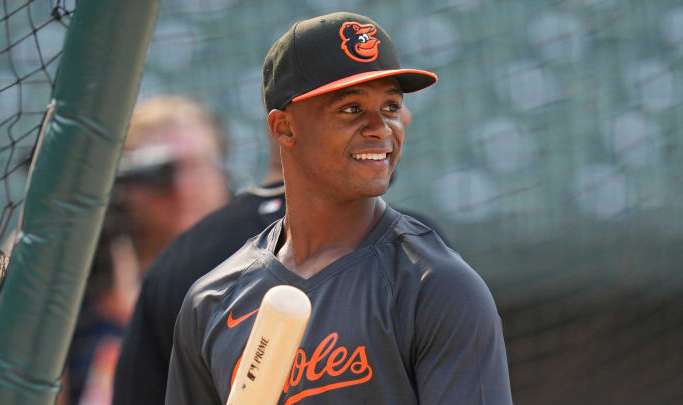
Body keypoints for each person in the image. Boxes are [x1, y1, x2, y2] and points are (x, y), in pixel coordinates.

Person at [165, 11, 512, 405]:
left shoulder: (437, 287)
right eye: (351, 109)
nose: (380, 127)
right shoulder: (212, 299)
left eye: (391, 107)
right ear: (284, 128)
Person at [65, 96, 231, 405]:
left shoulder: (260, 255)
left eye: (196, 166)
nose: (182, 186)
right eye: (162, 172)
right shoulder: (90, 276)